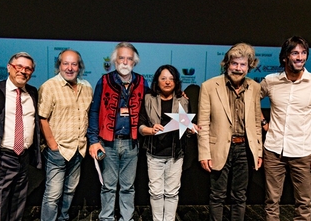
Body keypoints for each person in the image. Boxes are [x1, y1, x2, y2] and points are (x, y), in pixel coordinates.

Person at [261, 36, 311, 221]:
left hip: (303, 151)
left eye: (303, 52)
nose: (300, 57)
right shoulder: (270, 81)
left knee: (304, 204)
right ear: (285, 57)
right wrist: (263, 122)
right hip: (274, 150)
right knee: (271, 202)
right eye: (295, 53)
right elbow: (249, 101)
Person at [198, 43, 263, 221]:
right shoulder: (209, 86)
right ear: (226, 64)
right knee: (217, 196)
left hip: (244, 149)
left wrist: (258, 151)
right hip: (219, 147)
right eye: (234, 63)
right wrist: (204, 153)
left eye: (243, 65)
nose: (238, 68)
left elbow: (256, 123)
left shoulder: (255, 88)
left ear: (249, 66)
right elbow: (203, 123)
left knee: (240, 196)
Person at [87, 42, 148, 221]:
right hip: (108, 142)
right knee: (108, 186)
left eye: (129, 58)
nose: (125, 62)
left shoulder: (142, 81)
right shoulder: (104, 81)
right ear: (115, 61)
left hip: (132, 143)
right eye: (121, 58)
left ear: (134, 62)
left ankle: (126, 218)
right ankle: (106, 218)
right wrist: (93, 139)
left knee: (128, 186)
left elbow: (153, 103)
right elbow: (94, 111)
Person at [38, 49, 93, 221]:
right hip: (58, 151)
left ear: (79, 67)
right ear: (59, 65)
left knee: (70, 191)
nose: (70, 68)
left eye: (74, 64)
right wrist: (53, 145)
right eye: (65, 63)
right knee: (53, 195)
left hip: (78, 149)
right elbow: (42, 118)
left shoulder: (87, 87)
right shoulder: (49, 87)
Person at [0, 52, 42, 221]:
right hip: (3, 157)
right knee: (0, 206)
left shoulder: (33, 92)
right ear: (9, 68)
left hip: (24, 158)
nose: (23, 71)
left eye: (28, 68)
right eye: (19, 67)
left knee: (19, 204)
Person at [138, 64, 196, 221]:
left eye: (171, 79)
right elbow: (140, 126)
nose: (167, 82)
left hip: (175, 154)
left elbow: (188, 127)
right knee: (156, 192)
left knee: (172, 193)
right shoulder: (148, 99)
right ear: (157, 80)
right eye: (163, 78)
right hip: (154, 153)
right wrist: (150, 130)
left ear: (176, 82)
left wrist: (192, 129)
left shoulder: (183, 101)